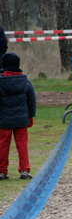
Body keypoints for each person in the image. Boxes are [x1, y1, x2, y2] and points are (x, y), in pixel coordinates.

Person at [0, 52, 36, 180]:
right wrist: (31, 116)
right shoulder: (25, 81)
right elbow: (31, 100)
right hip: (21, 119)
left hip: (3, 120)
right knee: (22, 145)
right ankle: (24, 170)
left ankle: (2, 171)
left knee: (2, 145)